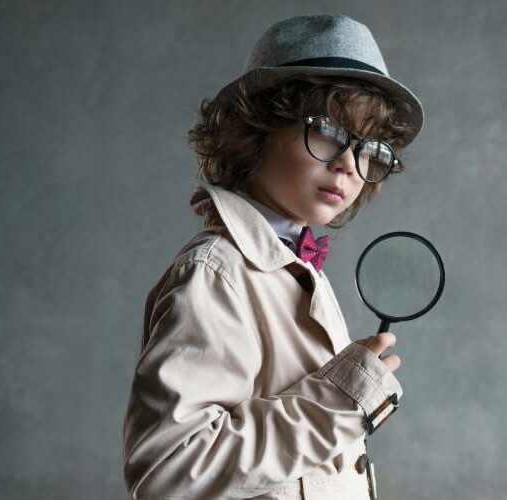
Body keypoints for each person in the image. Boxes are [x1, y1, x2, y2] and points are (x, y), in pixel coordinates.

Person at [121, 14, 424, 500]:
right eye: (327, 130)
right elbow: (170, 473)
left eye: (370, 148)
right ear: (255, 129)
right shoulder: (215, 274)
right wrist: (338, 400)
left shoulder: (296, 268)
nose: (349, 163)